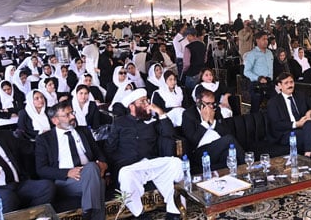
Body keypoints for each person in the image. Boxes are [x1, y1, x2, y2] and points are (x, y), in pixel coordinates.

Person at [105, 89, 183, 220]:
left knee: (176, 163)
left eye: (147, 100)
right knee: (125, 175)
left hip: (151, 163)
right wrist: (107, 172)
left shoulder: (152, 121)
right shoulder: (120, 122)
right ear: (132, 106)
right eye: (142, 101)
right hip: (130, 167)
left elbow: (170, 134)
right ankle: (139, 214)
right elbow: (109, 148)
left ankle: (173, 210)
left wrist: (160, 112)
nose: (147, 104)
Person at [35, 101, 108, 220]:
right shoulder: (44, 139)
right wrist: (67, 172)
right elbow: (41, 169)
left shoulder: (83, 131)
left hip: (89, 173)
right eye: (67, 115)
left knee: (91, 169)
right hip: (66, 182)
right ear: (55, 120)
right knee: (99, 182)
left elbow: (98, 153)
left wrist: (104, 164)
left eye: (72, 113)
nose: (73, 117)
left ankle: (87, 214)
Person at [0, 109, 55, 211]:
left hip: (17, 184)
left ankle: (32, 216)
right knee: (7, 198)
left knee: (47, 187)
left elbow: (30, 148)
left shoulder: (4, 136)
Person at [181, 89, 244, 173]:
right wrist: (205, 122)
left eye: (213, 103)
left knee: (230, 156)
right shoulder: (188, 114)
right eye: (207, 104)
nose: (211, 107)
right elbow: (193, 140)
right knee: (229, 139)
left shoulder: (216, 110)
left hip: (217, 147)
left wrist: (213, 122)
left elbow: (226, 132)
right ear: (198, 101)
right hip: (200, 152)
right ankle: (247, 164)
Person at [266, 73, 311, 159]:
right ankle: (310, 159)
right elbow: (276, 124)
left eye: (291, 82)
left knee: (309, 123)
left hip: (303, 128)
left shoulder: (299, 95)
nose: (290, 85)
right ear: (279, 86)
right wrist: (296, 124)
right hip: (286, 133)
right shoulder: (273, 102)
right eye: (286, 83)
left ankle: (307, 155)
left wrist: (310, 112)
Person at [243, 31, 274, 113]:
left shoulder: (270, 53)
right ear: (257, 40)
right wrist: (258, 78)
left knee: (274, 105)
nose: (266, 41)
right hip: (256, 85)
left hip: (269, 83)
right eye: (263, 39)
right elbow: (246, 71)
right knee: (255, 109)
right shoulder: (252, 54)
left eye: (267, 39)